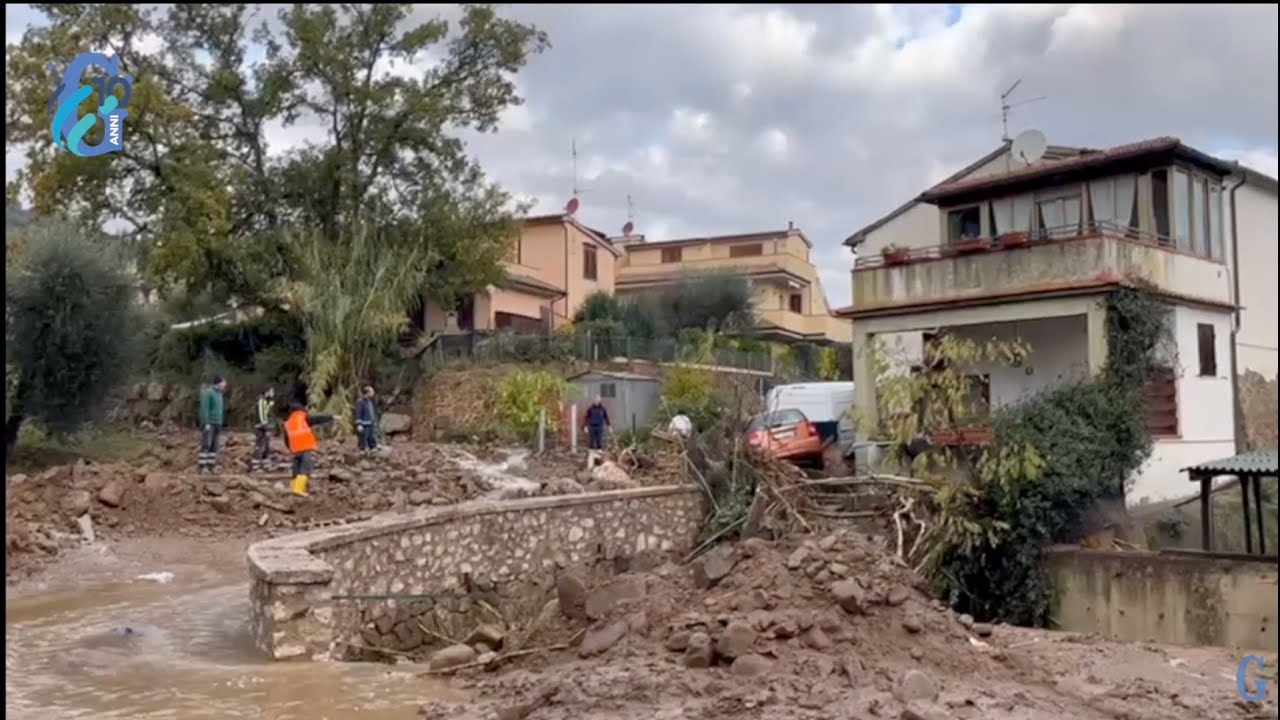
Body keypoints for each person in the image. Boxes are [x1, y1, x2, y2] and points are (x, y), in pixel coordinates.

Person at [283, 401, 333, 497]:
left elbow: (286, 438)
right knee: (305, 468)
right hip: (305, 448)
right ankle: (298, 489)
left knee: (296, 468)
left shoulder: (287, 423)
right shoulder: (304, 418)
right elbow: (318, 419)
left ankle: (294, 487)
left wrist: (290, 448)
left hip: (294, 450)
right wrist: (330, 417)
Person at [197, 375, 227, 474]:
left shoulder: (220, 394)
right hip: (210, 423)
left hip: (218, 423)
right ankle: (202, 466)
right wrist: (206, 422)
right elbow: (204, 409)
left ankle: (211, 466)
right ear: (218, 383)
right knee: (206, 444)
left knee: (215, 445)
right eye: (223, 382)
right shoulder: (209, 393)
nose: (224, 385)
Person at [251, 387, 276, 472]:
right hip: (261, 428)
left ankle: (266, 465)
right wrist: (266, 427)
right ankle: (256, 466)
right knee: (260, 446)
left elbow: (270, 414)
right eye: (271, 391)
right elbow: (262, 416)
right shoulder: (261, 401)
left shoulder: (268, 401)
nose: (273, 393)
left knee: (267, 447)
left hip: (266, 427)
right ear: (267, 392)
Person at [354, 385, 378, 454]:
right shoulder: (361, 402)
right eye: (372, 392)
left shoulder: (369, 401)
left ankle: (372, 448)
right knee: (363, 437)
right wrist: (359, 424)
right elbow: (358, 413)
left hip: (370, 422)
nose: (373, 393)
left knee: (371, 436)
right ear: (367, 392)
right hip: (364, 423)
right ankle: (362, 450)